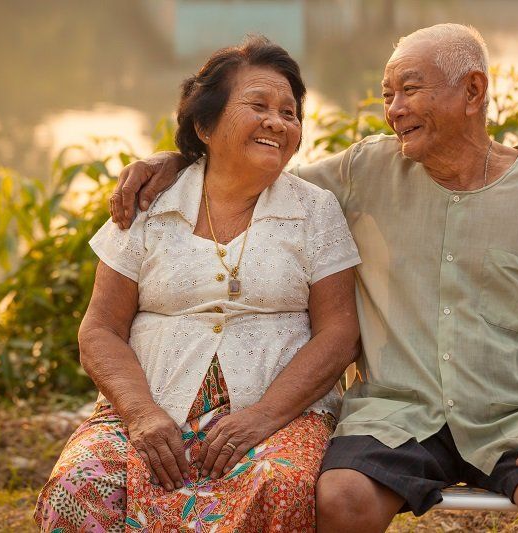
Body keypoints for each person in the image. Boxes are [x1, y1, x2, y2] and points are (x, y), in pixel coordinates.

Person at [112, 24, 518, 532]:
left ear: (473, 92)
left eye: (410, 90)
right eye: (388, 95)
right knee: (342, 497)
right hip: (397, 417)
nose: (394, 109)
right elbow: (253, 169)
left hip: (517, 415)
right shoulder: (365, 169)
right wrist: (177, 159)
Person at [34, 35, 361, 532]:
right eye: (258, 105)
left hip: (280, 416)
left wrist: (264, 416)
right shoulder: (148, 205)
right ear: (205, 124)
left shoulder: (316, 210)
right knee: (80, 483)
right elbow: (99, 330)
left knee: (277, 484)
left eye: (290, 112)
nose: (278, 121)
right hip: (148, 411)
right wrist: (142, 414)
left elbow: (339, 333)